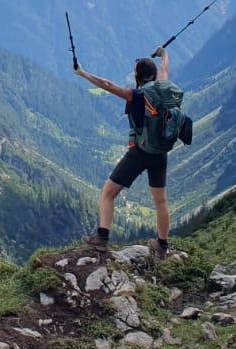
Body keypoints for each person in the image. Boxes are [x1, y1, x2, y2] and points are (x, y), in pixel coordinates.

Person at [74, 47, 174, 259]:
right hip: (160, 152)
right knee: (161, 201)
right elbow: (165, 68)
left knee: (108, 192)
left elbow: (107, 85)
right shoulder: (163, 87)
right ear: (153, 75)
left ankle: (102, 238)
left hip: (139, 152)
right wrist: (163, 54)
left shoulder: (134, 95)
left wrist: (82, 73)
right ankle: (162, 246)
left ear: (138, 76)